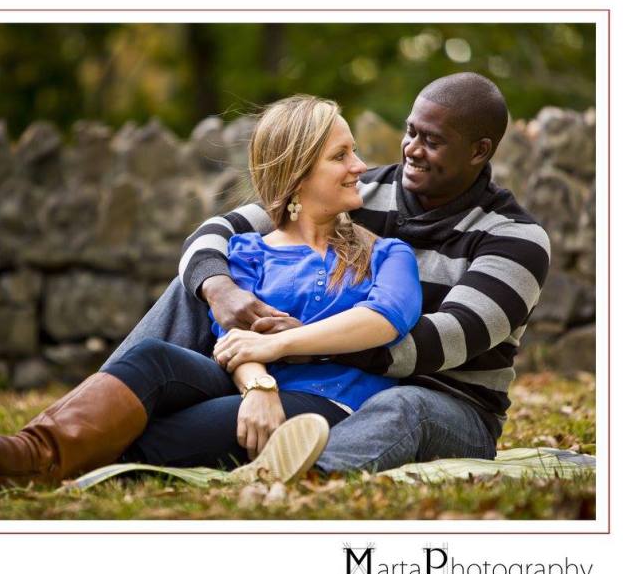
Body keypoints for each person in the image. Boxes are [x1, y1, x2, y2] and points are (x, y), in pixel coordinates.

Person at [0, 95, 421, 488]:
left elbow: (386, 318)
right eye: (341, 155)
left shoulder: (384, 253)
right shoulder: (247, 253)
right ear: (297, 174)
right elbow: (231, 340)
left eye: (353, 153)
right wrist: (259, 386)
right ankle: (9, 454)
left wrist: (278, 347)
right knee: (152, 359)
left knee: (168, 429)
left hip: (329, 403)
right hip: (255, 391)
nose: (360, 167)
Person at [106, 72, 551, 475]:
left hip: (447, 406)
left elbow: (444, 342)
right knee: (198, 285)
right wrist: (219, 288)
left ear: (479, 151)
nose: (413, 149)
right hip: (309, 377)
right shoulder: (360, 191)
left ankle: (302, 478)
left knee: (405, 406)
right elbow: (223, 231)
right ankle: (101, 406)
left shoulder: (515, 238)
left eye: (432, 141)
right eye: (411, 132)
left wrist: (301, 339)